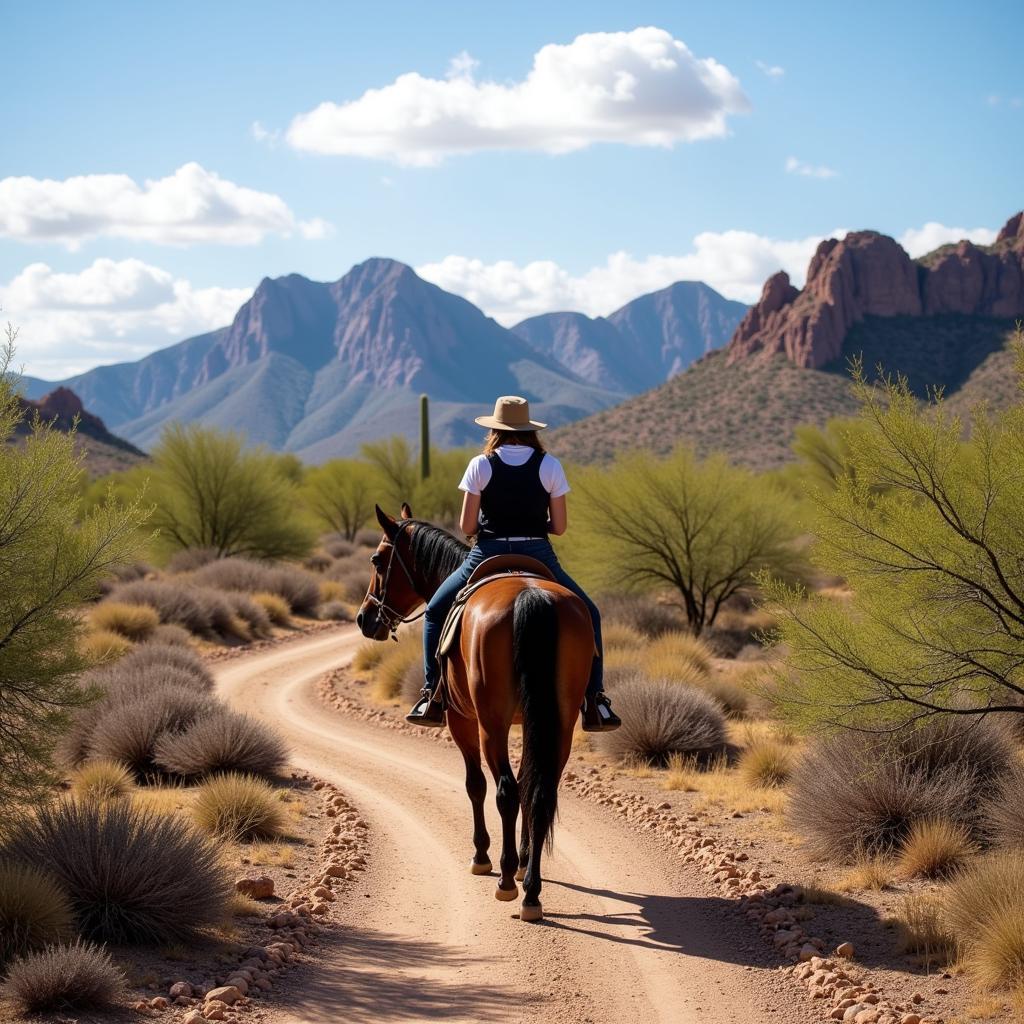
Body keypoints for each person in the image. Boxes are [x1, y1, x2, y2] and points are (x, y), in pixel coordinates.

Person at [407, 395, 621, 733]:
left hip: (487, 552)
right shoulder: (549, 465)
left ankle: (431, 693)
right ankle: (595, 699)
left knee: (435, 611)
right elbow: (560, 527)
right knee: (589, 612)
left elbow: (466, 527)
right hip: (538, 551)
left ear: (495, 429)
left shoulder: (481, 464)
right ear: (528, 429)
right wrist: (536, 526)